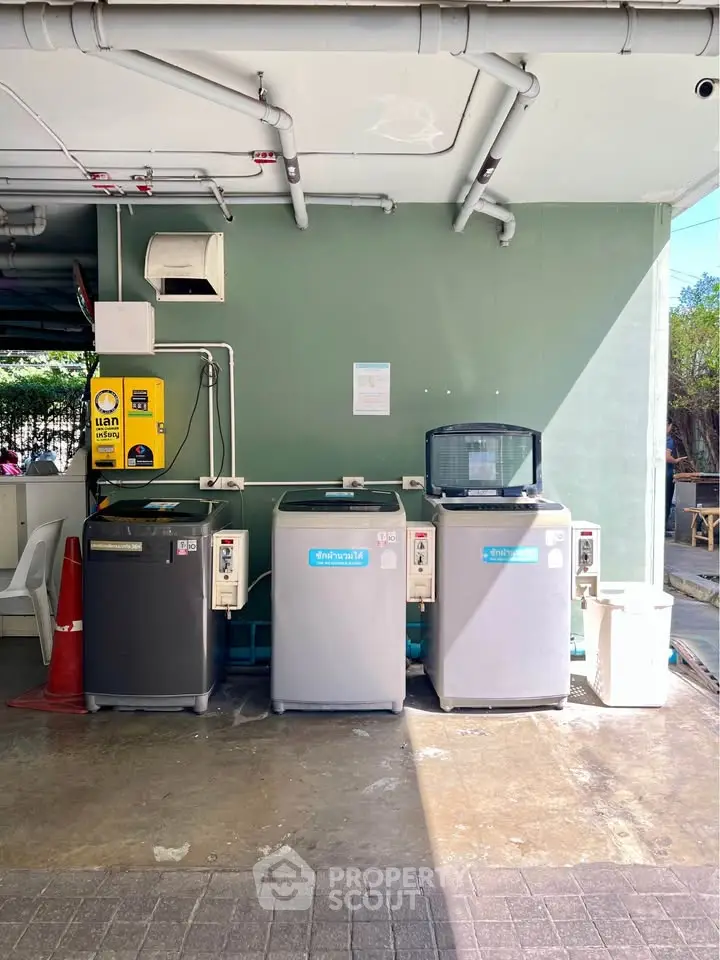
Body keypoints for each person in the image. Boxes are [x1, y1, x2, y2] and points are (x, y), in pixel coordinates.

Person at [665, 420, 686, 529]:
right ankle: (662, 527)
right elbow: (667, 457)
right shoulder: (668, 440)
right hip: (666, 474)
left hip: (654, 474)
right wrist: (676, 460)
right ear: (668, 426)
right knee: (666, 500)